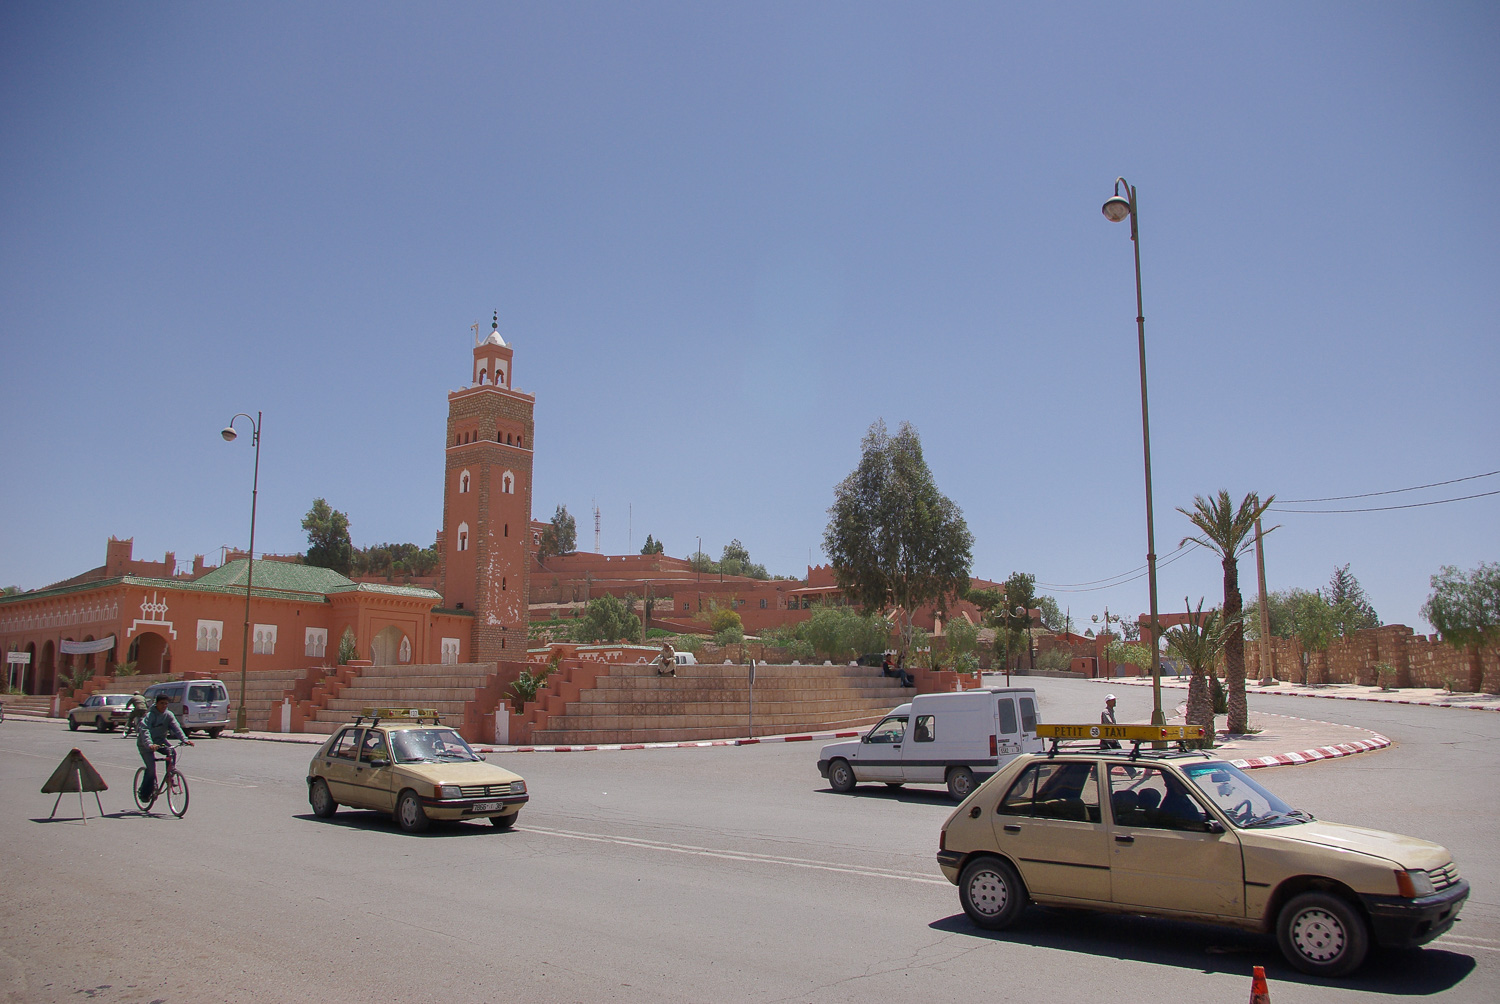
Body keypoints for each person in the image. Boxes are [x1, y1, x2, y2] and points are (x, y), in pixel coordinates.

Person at [136, 693, 192, 803]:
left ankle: (170, 776)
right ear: (156, 703)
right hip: (145, 744)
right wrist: (150, 744)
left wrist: (184, 739)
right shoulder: (150, 716)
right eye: (162, 703)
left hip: (160, 741)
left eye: (166, 704)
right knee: (151, 770)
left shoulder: (168, 715)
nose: (164, 706)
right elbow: (144, 730)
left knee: (172, 752)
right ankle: (144, 794)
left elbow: (176, 727)